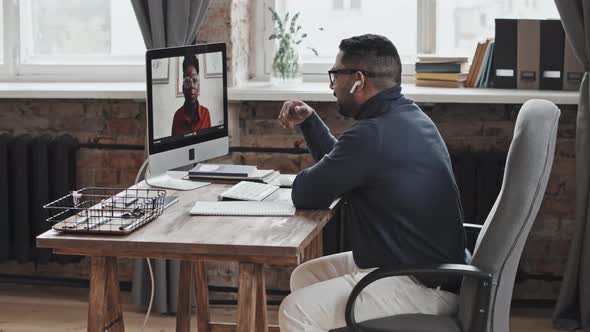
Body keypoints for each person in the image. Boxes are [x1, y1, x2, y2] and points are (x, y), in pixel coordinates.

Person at [277, 34, 467, 331]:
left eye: (335, 75)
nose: (332, 86)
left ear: (358, 80)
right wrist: (310, 122)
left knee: (296, 310)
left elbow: (306, 193)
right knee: (305, 277)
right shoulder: (407, 116)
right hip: (426, 268)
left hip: (422, 283)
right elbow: (347, 166)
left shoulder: (372, 135)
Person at [171, 54, 211, 136]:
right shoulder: (177, 116)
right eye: (187, 81)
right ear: (183, 88)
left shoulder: (205, 113)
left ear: (198, 86)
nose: (192, 86)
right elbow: (173, 147)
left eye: (195, 80)